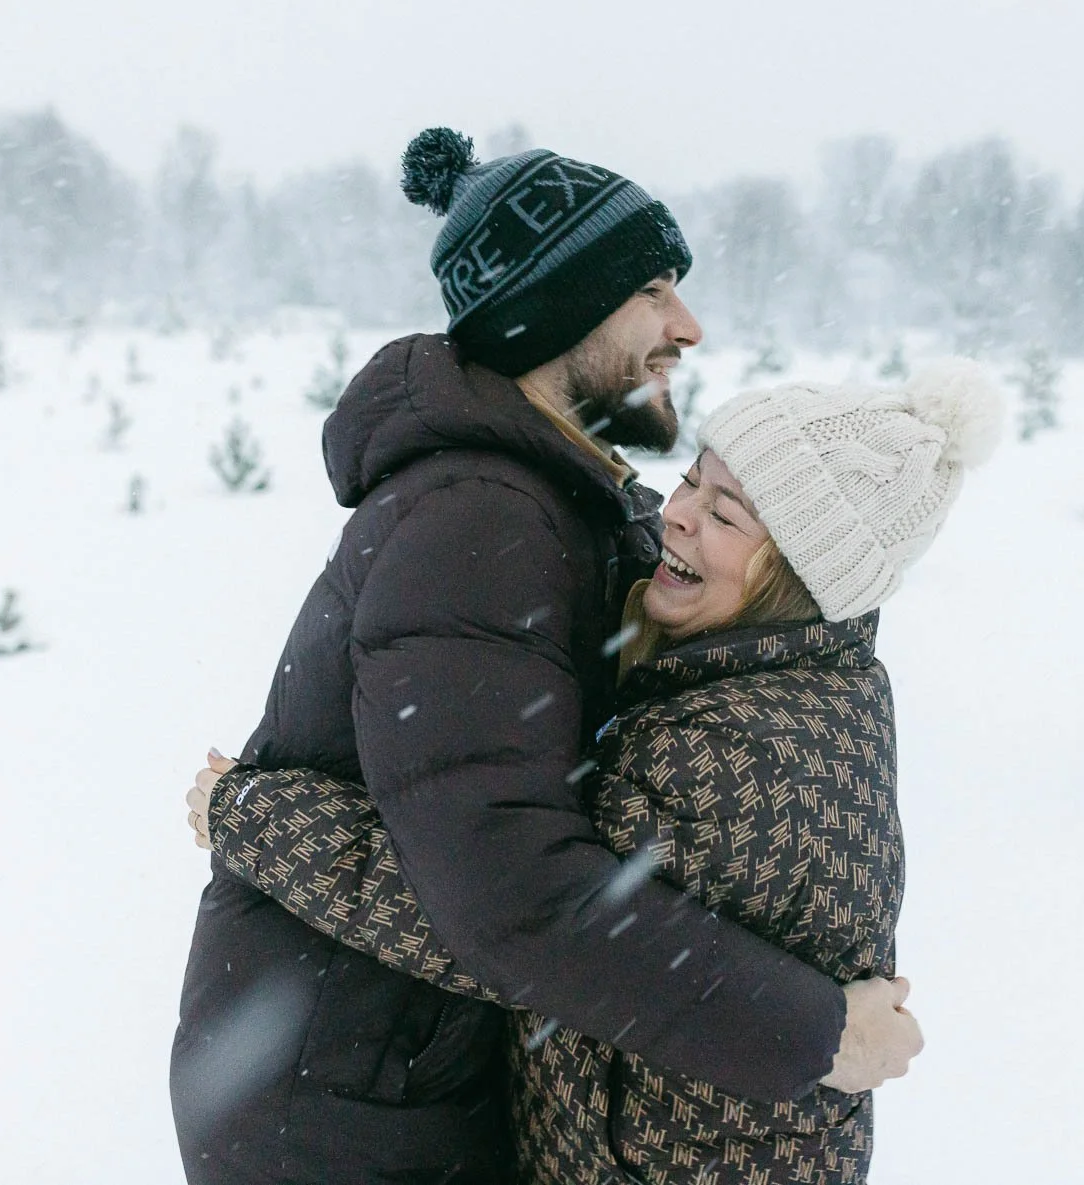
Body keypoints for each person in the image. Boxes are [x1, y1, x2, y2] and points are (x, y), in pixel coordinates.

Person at [169, 128, 923, 1184]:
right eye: (655, 291)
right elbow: (512, 898)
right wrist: (813, 1032)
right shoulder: (481, 522)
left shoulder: (568, 505)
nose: (688, 327)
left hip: (406, 1068)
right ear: (562, 309)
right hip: (349, 1100)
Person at [190, 363, 1003, 1182]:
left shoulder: (732, 751)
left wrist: (262, 818)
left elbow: (508, 920)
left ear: (802, 579)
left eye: (724, 513)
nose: (678, 517)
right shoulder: (811, 679)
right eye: (690, 478)